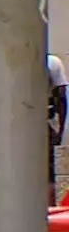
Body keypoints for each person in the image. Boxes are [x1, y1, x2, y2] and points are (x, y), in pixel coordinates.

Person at [50, 54, 69, 205]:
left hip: (46, 124)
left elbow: (61, 97)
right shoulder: (52, 62)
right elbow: (61, 98)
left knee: (48, 171)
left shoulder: (52, 63)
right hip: (46, 123)